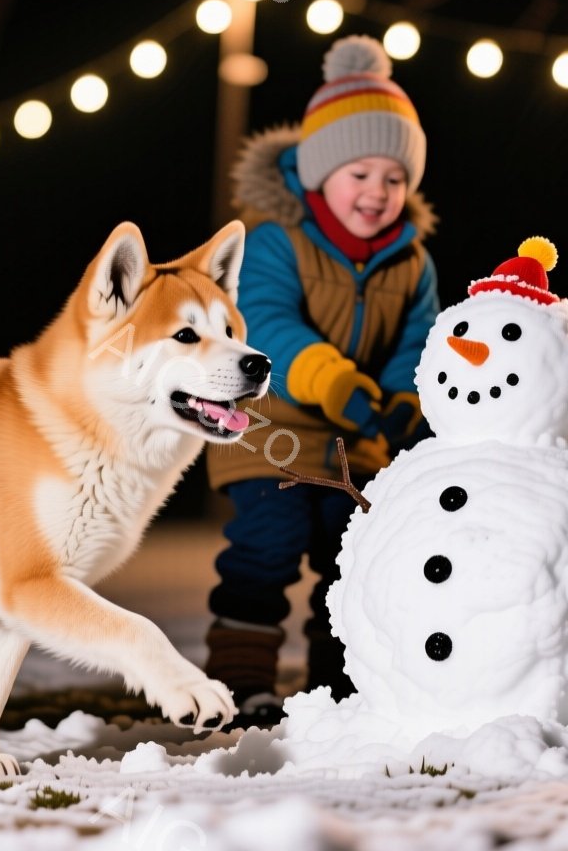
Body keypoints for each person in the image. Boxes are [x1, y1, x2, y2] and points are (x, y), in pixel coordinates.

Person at [203, 35, 440, 723]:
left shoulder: (411, 262)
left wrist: (401, 398)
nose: (377, 192)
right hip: (265, 430)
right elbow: (264, 319)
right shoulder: (275, 239)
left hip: (354, 440)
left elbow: (417, 339)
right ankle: (239, 683)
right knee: (268, 546)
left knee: (352, 562)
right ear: (317, 172)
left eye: (394, 178)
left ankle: (339, 691)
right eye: (359, 173)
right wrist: (330, 377)